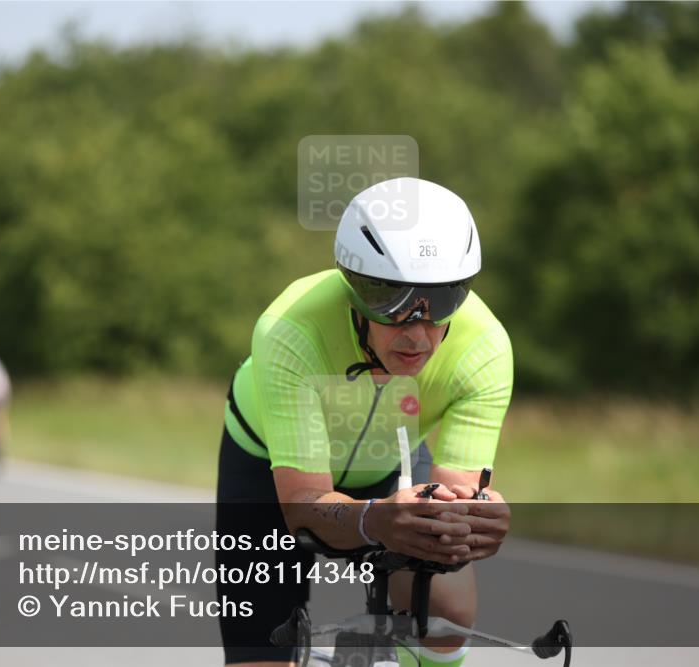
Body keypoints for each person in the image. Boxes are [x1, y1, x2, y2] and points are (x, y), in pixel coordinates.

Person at [216, 177, 513, 667]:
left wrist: (471, 523)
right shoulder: (291, 328)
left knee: (447, 616)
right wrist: (377, 520)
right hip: (268, 464)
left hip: (390, 457)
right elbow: (302, 506)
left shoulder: (485, 349)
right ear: (355, 290)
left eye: (441, 302)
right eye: (392, 302)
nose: (417, 334)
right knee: (260, 654)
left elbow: (457, 497)